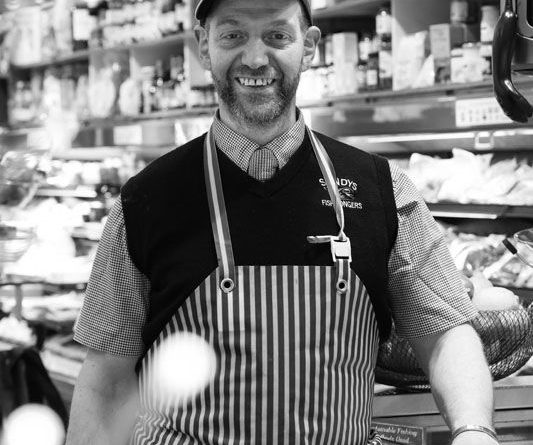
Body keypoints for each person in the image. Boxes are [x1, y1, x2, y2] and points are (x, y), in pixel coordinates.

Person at [66, 0, 499, 444]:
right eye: (233, 35)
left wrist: (474, 430)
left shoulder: (382, 191)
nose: (256, 59)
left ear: (308, 47)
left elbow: (445, 333)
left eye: (277, 35)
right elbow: (107, 381)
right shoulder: (144, 202)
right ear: (203, 45)